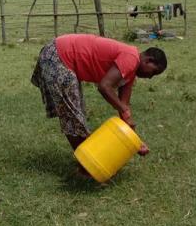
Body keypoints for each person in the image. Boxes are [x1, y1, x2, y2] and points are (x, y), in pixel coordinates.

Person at [31, 33, 167, 160]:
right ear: (149, 60)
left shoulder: (130, 75)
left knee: (76, 116)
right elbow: (104, 86)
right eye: (153, 72)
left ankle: (88, 162)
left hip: (62, 56)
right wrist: (123, 109)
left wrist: (136, 142)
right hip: (59, 55)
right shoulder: (131, 58)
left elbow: (124, 111)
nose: (150, 77)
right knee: (73, 117)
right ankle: (87, 164)